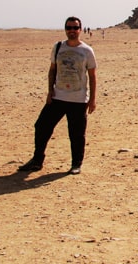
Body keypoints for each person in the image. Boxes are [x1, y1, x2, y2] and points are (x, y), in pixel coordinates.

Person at [18, 16, 97, 175]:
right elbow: (52, 70)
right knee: (41, 126)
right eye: (69, 27)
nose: (72, 31)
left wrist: (92, 100)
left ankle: (76, 164)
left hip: (78, 99)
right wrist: (49, 92)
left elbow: (92, 75)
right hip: (57, 97)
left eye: (75, 28)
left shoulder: (87, 51)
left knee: (76, 134)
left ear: (80, 30)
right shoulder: (58, 47)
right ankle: (37, 160)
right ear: (65, 29)